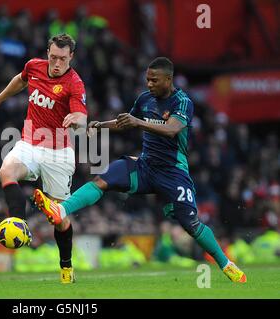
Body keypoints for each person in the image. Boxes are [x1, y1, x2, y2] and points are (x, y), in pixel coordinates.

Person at [33, 57, 247, 283]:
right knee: (102, 180)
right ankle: (61, 210)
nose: (149, 84)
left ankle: (226, 264)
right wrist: (101, 125)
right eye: (147, 79)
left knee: (191, 225)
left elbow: (172, 129)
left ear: (168, 79)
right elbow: (126, 121)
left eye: (154, 80)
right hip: (145, 166)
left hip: (173, 173)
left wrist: (138, 122)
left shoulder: (182, 102)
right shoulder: (145, 99)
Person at [0, 33, 88, 284]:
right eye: (53, 57)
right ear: (47, 53)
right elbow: (20, 81)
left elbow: (82, 118)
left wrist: (77, 120)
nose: (56, 63)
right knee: (6, 171)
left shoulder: (75, 84)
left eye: (62, 58)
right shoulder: (34, 66)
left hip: (58, 154)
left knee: (60, 219)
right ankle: (19, 221)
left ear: (71, 57)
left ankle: (66, 268)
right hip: (29, 143)